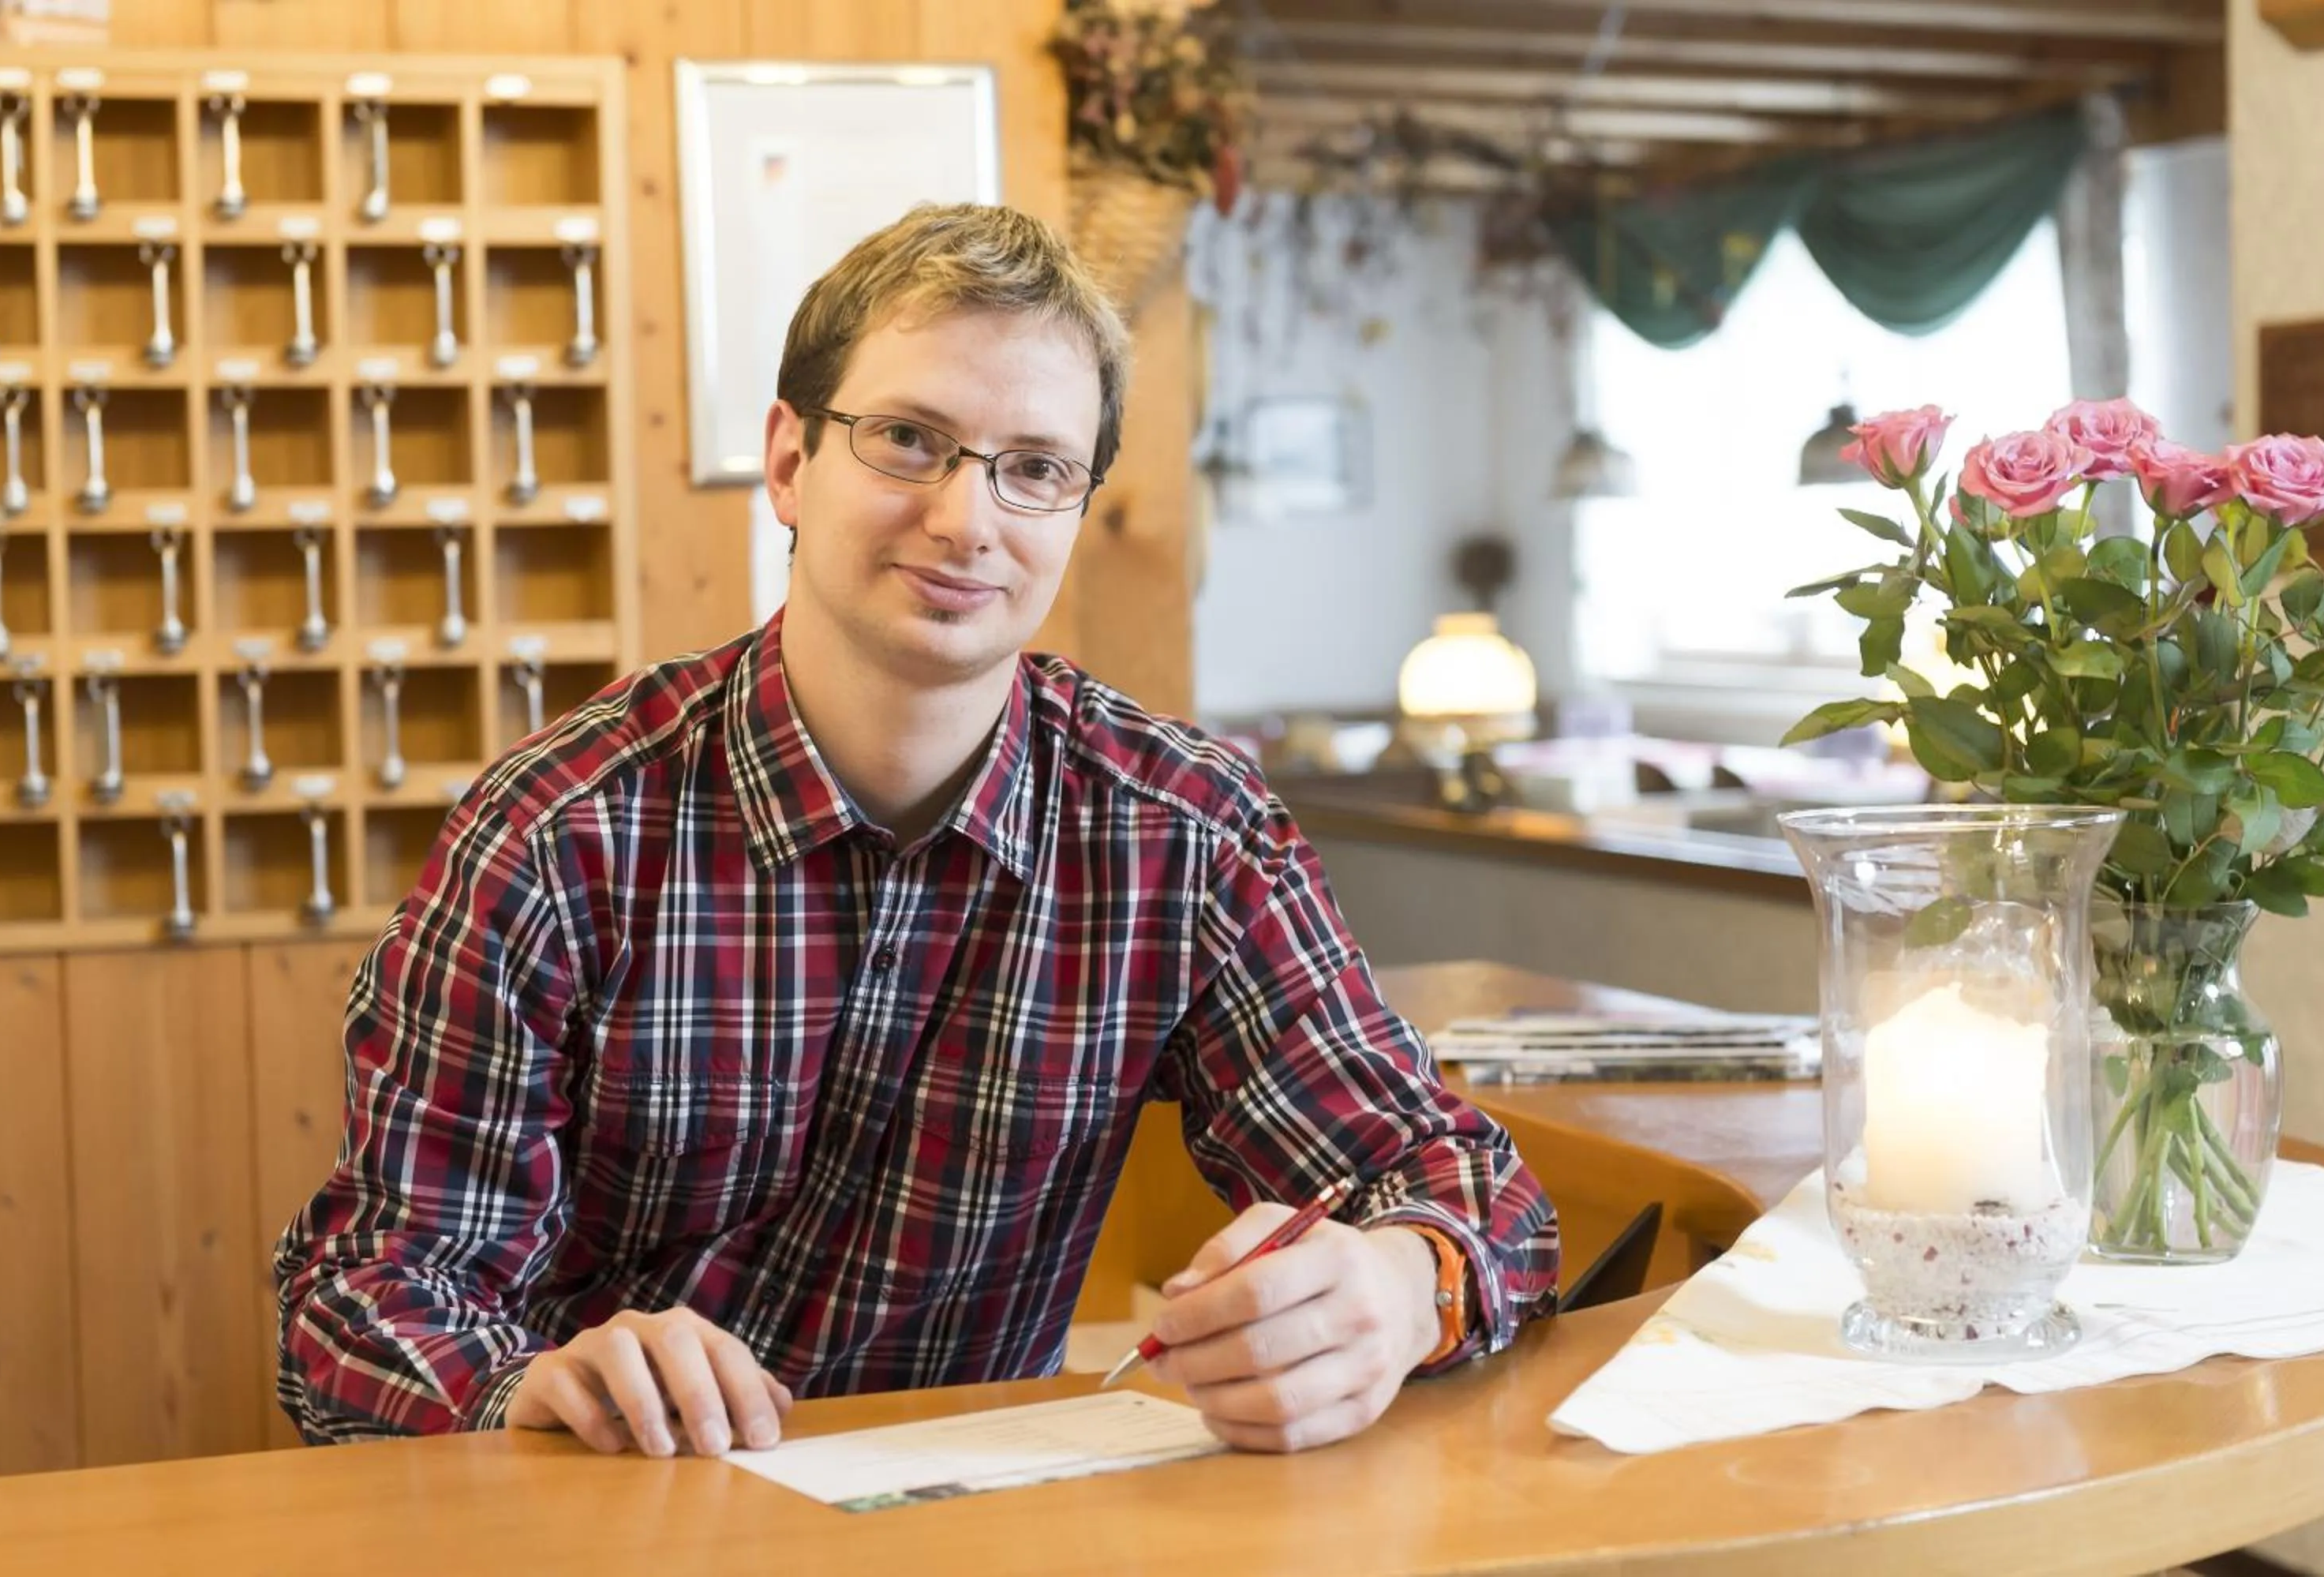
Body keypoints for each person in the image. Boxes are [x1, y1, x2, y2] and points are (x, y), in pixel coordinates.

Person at [275, 203, 1559, 1459]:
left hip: (969, 1522)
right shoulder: (562, 835)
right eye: (907, 439)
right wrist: (526, 1389)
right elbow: (361, 1302)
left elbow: (1457, 1179)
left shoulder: (1184, 835)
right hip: (617, 1513)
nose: (966, 520)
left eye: (1036, 469)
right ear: (789, 461)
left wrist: (1401, 1285)